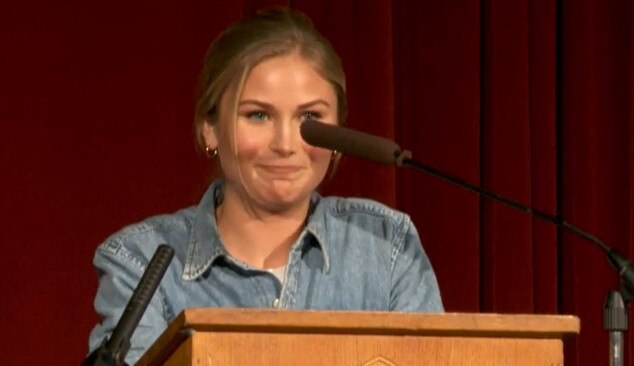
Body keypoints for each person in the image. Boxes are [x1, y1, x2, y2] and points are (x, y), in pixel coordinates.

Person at [87, 7, 443, 365]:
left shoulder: (387, 245)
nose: (286, 144)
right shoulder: (140, 261)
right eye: (258, 115)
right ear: (210, 128)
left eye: (310, 118)